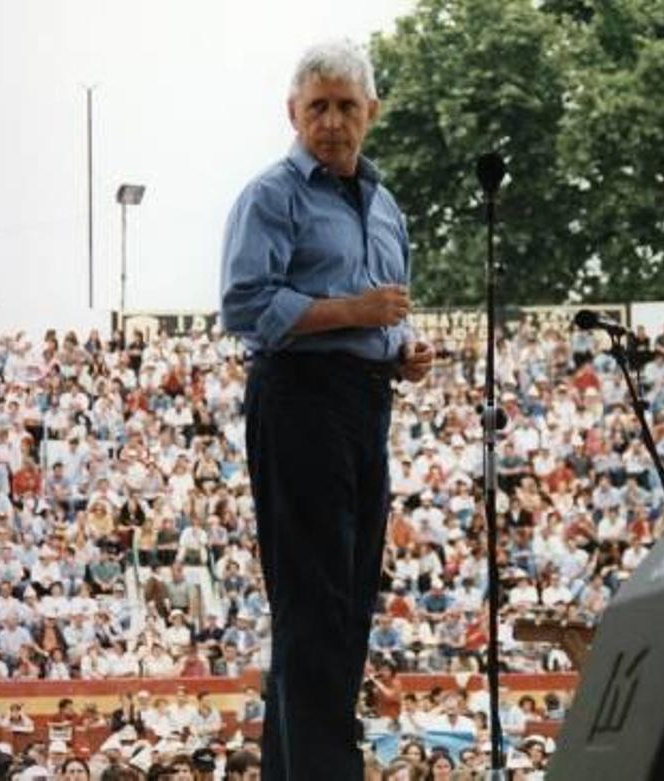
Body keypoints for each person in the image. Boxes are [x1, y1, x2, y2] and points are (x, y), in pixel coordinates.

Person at [220, 40, 432, 780]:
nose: (334, 122)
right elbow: (245, 304)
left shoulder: (385, 205)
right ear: (293, 112)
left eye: (347, 106)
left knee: (345, 607)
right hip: (298, 399)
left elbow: (387, 312)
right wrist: (353, 311)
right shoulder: (272, 196)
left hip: (365, 403)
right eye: (319, 107)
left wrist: (402, 349)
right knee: (313, 605)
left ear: (372, 111)